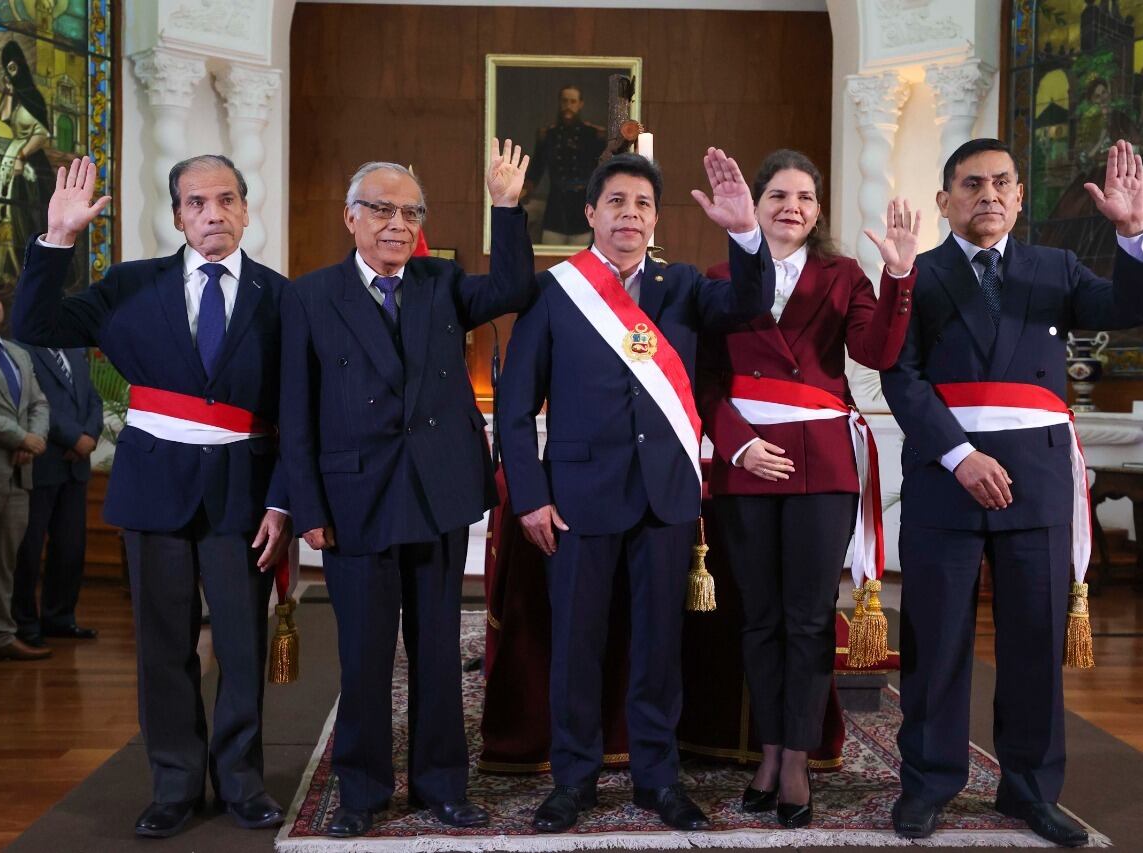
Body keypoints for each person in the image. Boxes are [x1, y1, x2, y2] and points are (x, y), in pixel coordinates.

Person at [880, 138, 1143, 847]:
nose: (989, 195)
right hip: (947, 478)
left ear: (1019, 194)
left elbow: (1132, 306)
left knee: (1034, 642)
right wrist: (960, 454)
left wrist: (1131, 231)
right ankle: (929, 783)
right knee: (935, 640)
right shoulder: (919, 272)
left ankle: (1030, 788)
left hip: (1034, 481)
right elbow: (900, 375)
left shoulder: (1055, 267)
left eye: (1002, 182)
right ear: (946, 200)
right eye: (971, 184)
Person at [12, 154, 292, 839]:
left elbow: (296, 409)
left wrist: (285, 502)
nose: (213, 213)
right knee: (162, 646)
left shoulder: (280, 297)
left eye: (226, 199)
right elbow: (35, 326)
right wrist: (57, 240)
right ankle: (173, 782)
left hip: (243, 498)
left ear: (247, 210)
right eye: (196, 202)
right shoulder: (130, 285)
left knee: (241, 642)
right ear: (177, 215)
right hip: (152, 493)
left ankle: (241, 781)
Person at [498, 149, 775, 834]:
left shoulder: (681, 284)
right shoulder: (556, 290)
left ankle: (658, 777)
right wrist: (529, 495)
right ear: (590, 213)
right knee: (576, 644)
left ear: (656, 219)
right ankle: (573, 779)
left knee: (658, 646)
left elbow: (749, 303)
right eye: (616, 202)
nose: (630, 215)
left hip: (665, 495)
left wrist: (746, 235)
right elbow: (512, 405)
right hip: (577, 495)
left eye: (643, 205)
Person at [279, 139, 535, 838]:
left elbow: (513, 288)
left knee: (437, 649)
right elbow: (295, 411)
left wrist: (506, 207)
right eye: (382, 209)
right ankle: (360, 792)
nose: (397, 223)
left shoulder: (440, 283)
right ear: (350, 217)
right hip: (353, 499)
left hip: (439, 493)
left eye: (410, 212)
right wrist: (307, 505)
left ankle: (441, 784)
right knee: (363, 656)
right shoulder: (309, 296)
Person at [697, 148, 918, 828]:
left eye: (805, 196)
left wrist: (900, 276)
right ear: (754, 204)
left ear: (818, 210)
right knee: (758, 617)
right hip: (746, 460)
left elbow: (876, 353)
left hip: (822, 463)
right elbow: (703, 377)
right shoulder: (716, 278)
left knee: (809, 617)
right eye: (778, 195)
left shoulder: (844, 274)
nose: (791, 206)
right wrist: (736, 441)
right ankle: (767, 748)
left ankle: (797, 757)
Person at [12, 343, 103, 647]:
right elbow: (37, 403)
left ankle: (60, 618)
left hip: (76, 467)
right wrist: (75, 438)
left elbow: (93, 398)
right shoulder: (22, 349)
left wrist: (90, 435)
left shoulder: (74, 352)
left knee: (70, 548)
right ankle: (24, 622)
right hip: (42, 462)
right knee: (28, 549)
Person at [0, 287, 49, 661]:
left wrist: (34, 439)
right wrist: (22, 438)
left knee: (4, 561)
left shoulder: (18, 354)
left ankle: (0, 635)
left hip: (18, 477)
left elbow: (39, 403)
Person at [0, 40, 54, 273]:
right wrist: (8, 91)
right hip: (13, 157)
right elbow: (5, 117)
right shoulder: (16, 96)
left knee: (30, 211)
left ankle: (30, 262)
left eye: (13, 67)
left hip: (32, 161)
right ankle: (12, 265)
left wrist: (22, 155)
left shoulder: (34, 97)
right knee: (8, 209)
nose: (11, 73)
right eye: (6, 69)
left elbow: (42, 133)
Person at [522, 85, 605, 245]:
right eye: (565, 101)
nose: (568, 105)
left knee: (582, 261)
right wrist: (523, 191)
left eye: (573, 101)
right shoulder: (548, 135)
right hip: (556, 206)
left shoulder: (594, 135)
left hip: (583, 206)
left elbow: (602, 172)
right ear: (560, 103)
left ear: (580, 104)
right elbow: (536, 169)